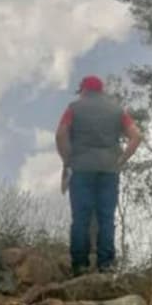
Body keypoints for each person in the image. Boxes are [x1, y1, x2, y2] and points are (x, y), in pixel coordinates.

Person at [54, 75, 143, 275]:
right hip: (109, 170)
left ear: (84, 90)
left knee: (81, 218)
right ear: (101, 91)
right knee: (106, 218)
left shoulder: (74, 108)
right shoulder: (117, 110)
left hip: (81, 169)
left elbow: (60, 134)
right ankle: (106, 265)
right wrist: (121, 160)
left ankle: (80, 265)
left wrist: (67, 159)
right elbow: (136, 136)